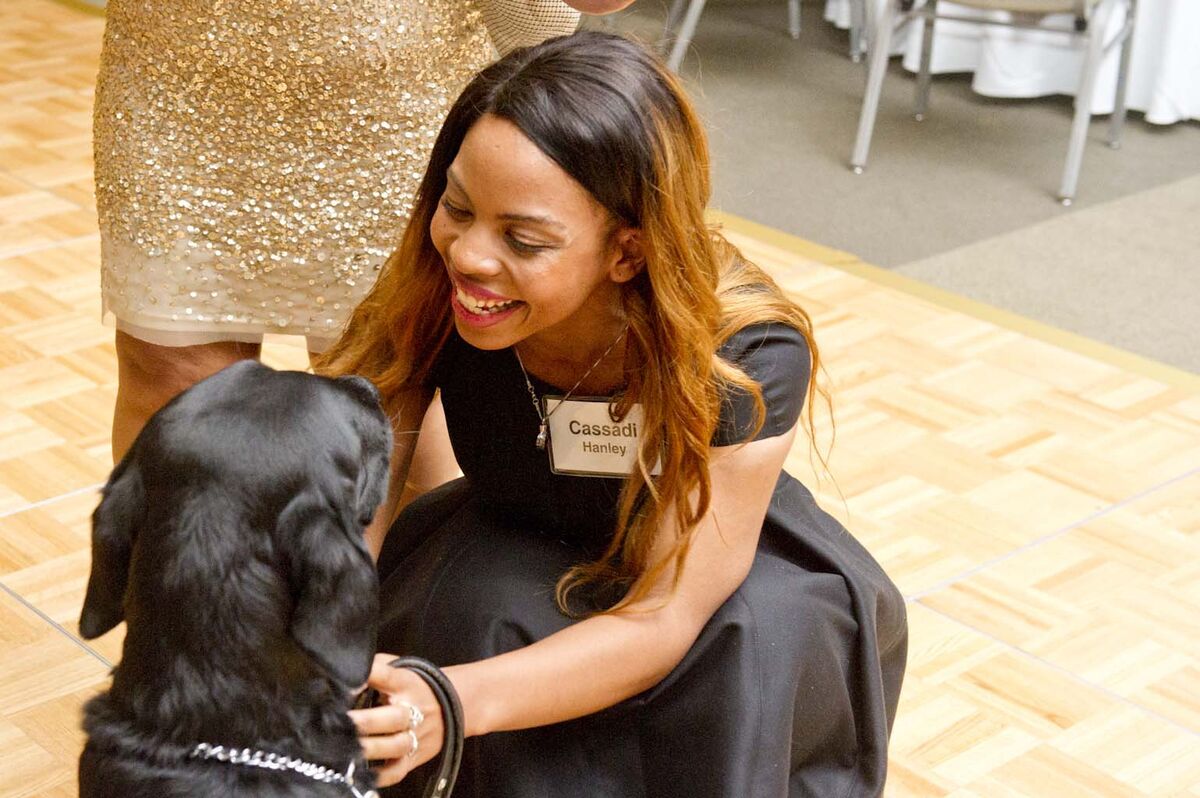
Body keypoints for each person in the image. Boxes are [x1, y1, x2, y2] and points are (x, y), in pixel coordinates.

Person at [319, 31, 908, 797]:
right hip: (518, 522)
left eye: (523, 239)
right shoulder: (436, 286)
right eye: (456, 206)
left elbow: (662, 615)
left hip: (702, 556)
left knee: (756, 642)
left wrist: (455, 703)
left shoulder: (744, 348)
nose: (468, 255)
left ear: (626, 252)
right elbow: (352, 512)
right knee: (466, 606)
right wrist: (316, 647)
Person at [94, 0, 631, 461]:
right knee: (173, 383)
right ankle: (176, 578)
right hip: (175, 88)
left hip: (397, 103)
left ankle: (396, 579)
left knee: (391, 406)